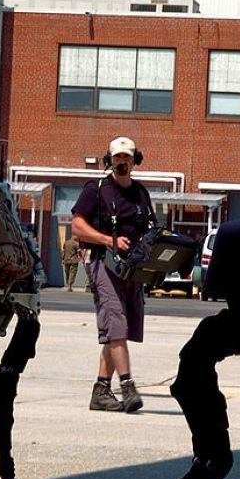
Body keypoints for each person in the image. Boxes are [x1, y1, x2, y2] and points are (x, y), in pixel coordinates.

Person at [71, 136, 155, 413]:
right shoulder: (96, 190)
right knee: (115, 321)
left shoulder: (140, 193)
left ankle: (101, 391)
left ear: (135, 160)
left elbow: (151, 229)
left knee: (120, 328)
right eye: (117, 157)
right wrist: (109, 240)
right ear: (109, 160)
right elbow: (77, 227)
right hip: (102, 263)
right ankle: (128, 387)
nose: (122, 161)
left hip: (132, 268)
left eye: (126, 157)